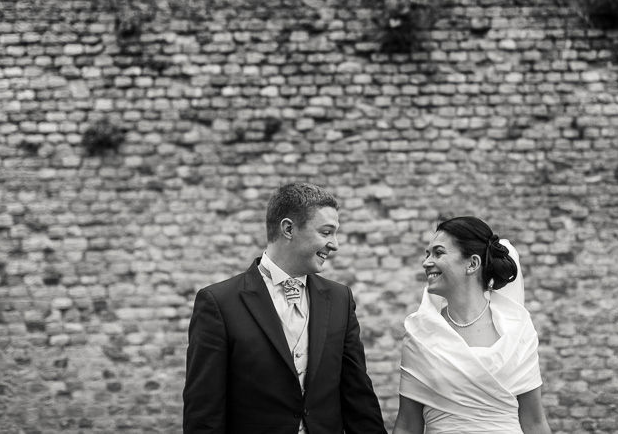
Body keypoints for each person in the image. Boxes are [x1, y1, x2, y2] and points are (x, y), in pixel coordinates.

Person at [183, 182, 387, 434]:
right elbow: (204, 411)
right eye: (326, 232)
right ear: (288, 228)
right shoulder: (219, 302)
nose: (335, 244)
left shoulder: (340, 298)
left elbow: (358, 396)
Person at [392, 216, 551, 434]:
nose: (426, 262)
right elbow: (407, 426)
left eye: (438, 253)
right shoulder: (420, 334)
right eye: (427, 254)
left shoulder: (518, 330)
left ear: (473, 264)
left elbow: (534, 422)